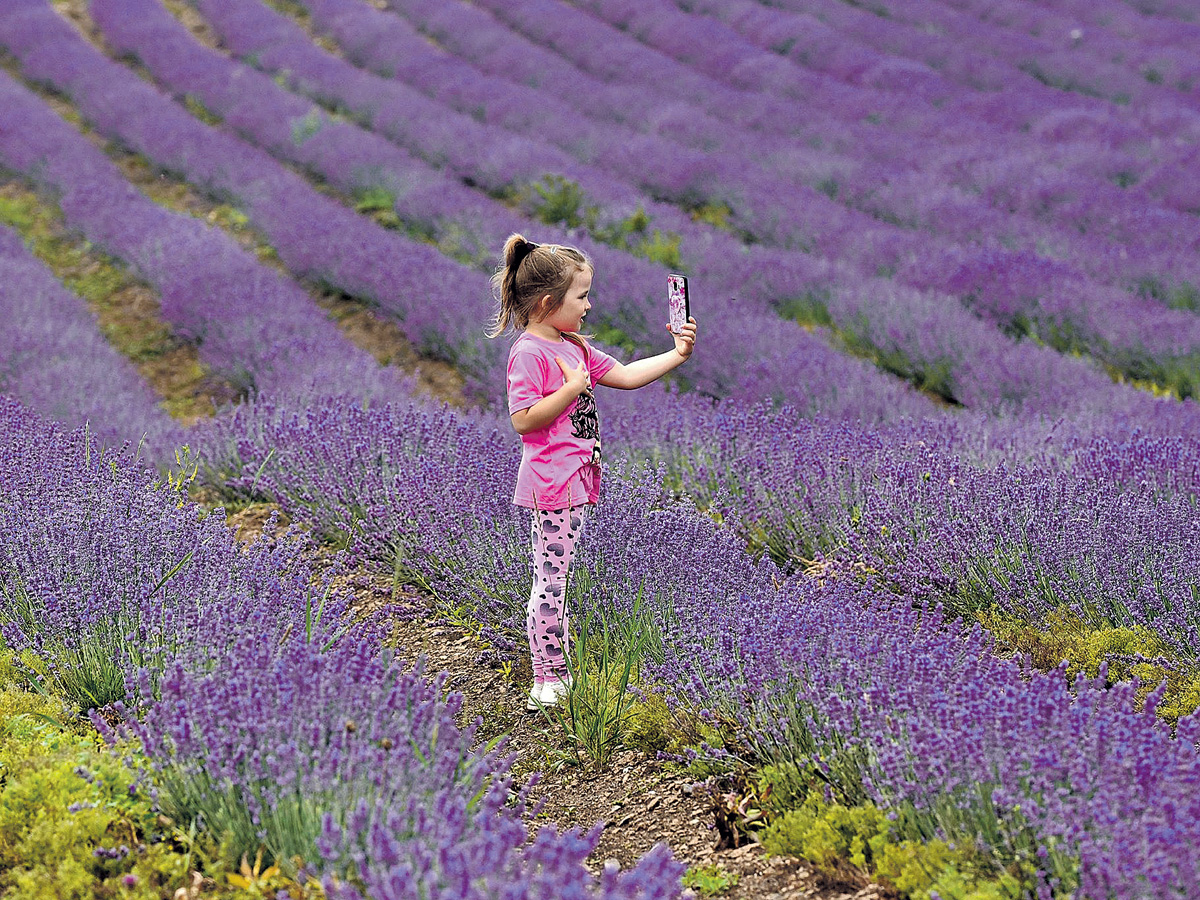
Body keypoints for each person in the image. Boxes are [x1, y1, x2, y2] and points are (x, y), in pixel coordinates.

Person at [488, 233, 697, 710]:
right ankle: (548, 677)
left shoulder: (573, 345)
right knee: (551, 581)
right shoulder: (530, 353)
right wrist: (571, 390)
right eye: (581, 296)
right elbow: (523, 419)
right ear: (547, 302)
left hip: (578, 478)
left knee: (558, 576)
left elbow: (624, 375)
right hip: (551, 482)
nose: (589, 304)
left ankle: (555, 665)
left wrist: (678, 355)